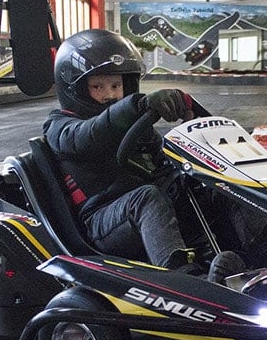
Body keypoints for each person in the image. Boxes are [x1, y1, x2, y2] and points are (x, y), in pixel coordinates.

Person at [43, 28, 244, 282]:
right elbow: (89, 134)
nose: (111, 94)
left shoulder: (133, 123)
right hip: (102, 222)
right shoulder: (60, 126)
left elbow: (162, 164)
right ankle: (185, 279)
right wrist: (134, 106)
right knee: (146, 197)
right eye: (98, 86)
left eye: (116, 85)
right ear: (75, 89)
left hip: (145, 208)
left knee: (214, 182)